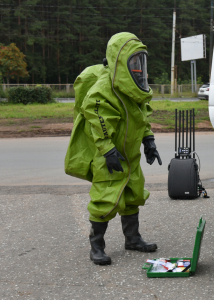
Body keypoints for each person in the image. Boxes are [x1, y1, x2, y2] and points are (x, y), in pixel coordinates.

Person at [65, 32, 162, 265]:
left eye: (140, 61)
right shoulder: (102, 91)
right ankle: (96, 245)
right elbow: (99, 123)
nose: (138, 67)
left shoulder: (132, 90)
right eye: (134, 61)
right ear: (119, 61)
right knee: (105, 198)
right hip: (108, 156)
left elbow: (142, 118)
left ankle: (133, 238)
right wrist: (108, 151)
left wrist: (149, 141)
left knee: (132, 194)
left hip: (129, 156)